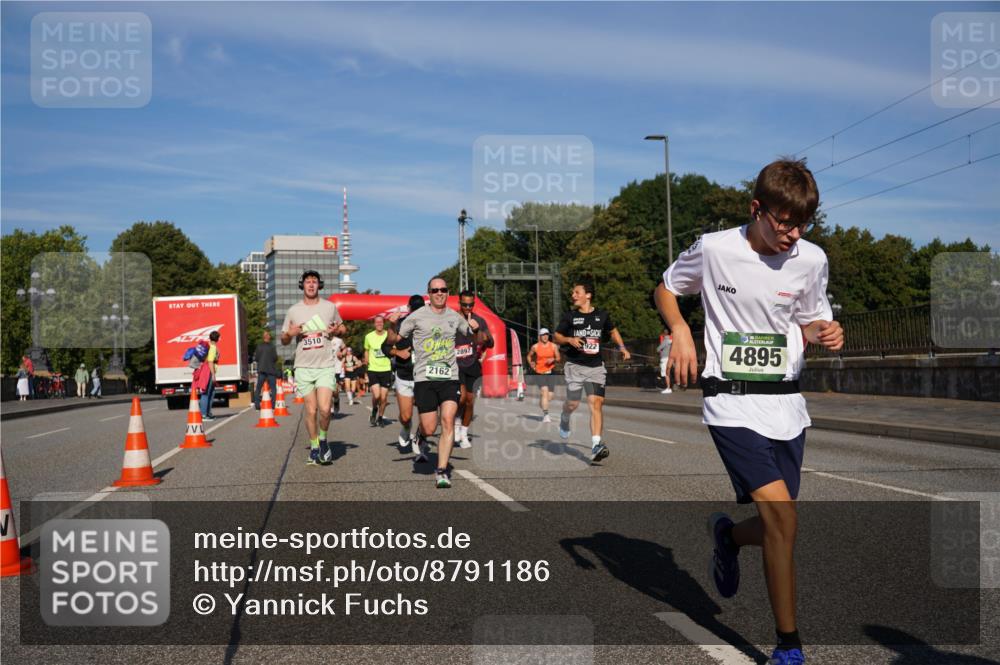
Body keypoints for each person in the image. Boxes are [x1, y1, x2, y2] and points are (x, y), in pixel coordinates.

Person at [654, 158, 843, 665]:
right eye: (784, 221)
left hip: (786, 405)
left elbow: (811, 318)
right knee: (782, 518)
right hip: (731, 402)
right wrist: (679, 330)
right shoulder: (717, 248)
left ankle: (729, 537)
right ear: (756, 209)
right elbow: (667, 287)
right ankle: (789, 646)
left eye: (803, 223)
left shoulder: (811, 259)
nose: (793, 234)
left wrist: (826, 332)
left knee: (782, 524)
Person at [386, 276, 482, 489]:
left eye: (443, 290)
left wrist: (475, 330)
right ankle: (420, 435)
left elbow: (475, 341)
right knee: (430, 428)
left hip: (449, 377)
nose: (439, 293)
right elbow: (393, 340)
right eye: (435, 290)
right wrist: (391, 325)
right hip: (424, 378)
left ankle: (441, 471)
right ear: (428, 293)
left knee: (447, 421)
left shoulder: (455, 317)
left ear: (448, 293)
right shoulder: (416, 317)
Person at [554, 279, 630, 463]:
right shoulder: (570, 317)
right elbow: (557, 336)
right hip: (575, 366)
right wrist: (569, 340)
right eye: (573, 293)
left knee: (596, 404)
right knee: (572, 404)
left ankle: (596, 444)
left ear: (588, 295)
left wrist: (622, 348)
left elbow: (612, 331)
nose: (573, 295)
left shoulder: (602, 315)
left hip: (596, 367)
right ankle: (565, 417)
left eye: (576, 292)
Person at [280, 270, 346, 466]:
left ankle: (323, 439)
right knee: (311, 410)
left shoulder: (329, 307)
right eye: (307, 282)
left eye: (314, 282)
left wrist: (336, 330)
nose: (311, 285)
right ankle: (314, 445)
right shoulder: (293, 310)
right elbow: (283, 340)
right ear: (302, 285)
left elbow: (343, 329)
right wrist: (290, 334)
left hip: (325, 364)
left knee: (325, 409)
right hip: (303, 366)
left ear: (319, 285)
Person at [455, 290, 494, 448]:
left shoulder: (480, 320)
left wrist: (478, 331)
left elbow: (490, 342)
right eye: (464, 304)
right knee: (462, 398)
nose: (468, 307)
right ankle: (456, 423)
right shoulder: (453, 319)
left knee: (470, 402)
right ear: (459, 303)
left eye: (470, 304)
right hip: (456, 365)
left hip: (472, 364)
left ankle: (464, 433)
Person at [385, 295, 425, 451]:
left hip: (424, 375)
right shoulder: (401, 324)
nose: (417, 312)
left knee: (426, 413)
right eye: (414, 309)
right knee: (406, 416)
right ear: (408, 309)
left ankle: (419, 440)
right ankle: (406, 427)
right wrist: (398, 352)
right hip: (404, 375)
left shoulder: (430, 323)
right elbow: (386, 347)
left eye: (420, 308)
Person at [364, 315, 393, 427]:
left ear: (383, 323)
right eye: (377, 322)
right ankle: (374, 410)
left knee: (384, 397)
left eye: (381, 322)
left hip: (386, 369)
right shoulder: (368, 336)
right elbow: (366, 350)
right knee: (376, 396)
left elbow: (393, 348)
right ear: (374, 324)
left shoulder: (388, 335)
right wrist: (366, 359)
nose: (379, 324)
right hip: (373, 369)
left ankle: (380, 417)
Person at [528, 328, 560, 422]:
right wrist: (531, 363)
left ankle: (542, 400)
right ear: (540, 336)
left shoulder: (553, 346)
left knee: (549, 396)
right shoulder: (535, 347)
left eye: (547, 334)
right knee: (545, 391)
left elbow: (558, 358)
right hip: (539, 372)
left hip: (551, 372)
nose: (545, 336)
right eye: (543, 335)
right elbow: (529, 356)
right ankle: (546, 415)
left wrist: (553, 360)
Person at [253, 331, 280, 410]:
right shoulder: (272, 346)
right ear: (268, 337)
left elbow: (256, 358)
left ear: (263, 337)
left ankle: (257, 405)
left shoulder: (259, 346)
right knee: (273, 388)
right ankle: (273, 405)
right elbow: (275, 358)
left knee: (258, 388)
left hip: (261, 370)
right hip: (271, 370)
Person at [200, 330, 221, 420]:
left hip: (208, 371)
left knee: (211, 392)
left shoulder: (211, 346)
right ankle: (204, 414)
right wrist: (213, 375)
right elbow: (210, 361)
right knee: (206, 393)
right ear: (218, 339)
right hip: (208, 372)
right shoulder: (212, 348)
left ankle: (208, 412)